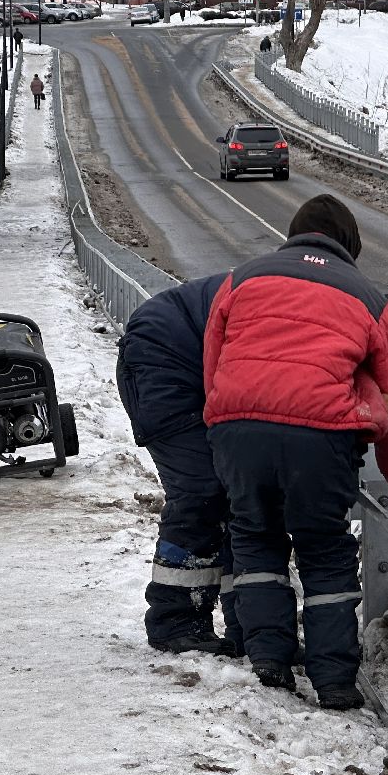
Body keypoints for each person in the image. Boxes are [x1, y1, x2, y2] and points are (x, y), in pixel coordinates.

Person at [203, 196, 388, 710]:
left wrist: (223, 428)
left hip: (239, 429)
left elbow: (213, 365)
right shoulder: (368, 298)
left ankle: (270, 661)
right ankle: (333, 681)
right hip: (319, 437)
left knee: (256, 538)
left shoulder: (241, 280)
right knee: (324, 552)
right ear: (351, 247)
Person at [116, 274, 240, 657]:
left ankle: (250, 624)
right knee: (202, 491)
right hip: (164, 363)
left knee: (243, 492)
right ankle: (175, 622)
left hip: (190, 359)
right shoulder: (326, 314)